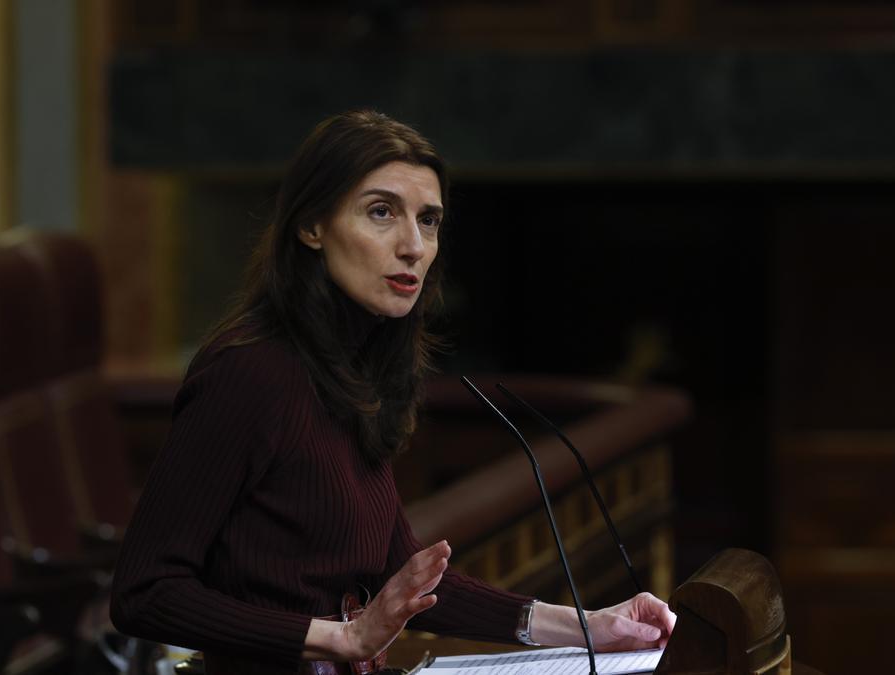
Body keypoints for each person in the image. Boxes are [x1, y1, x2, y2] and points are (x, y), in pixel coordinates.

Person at [110, 110, 675, 674]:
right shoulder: (249, 372)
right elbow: (146, 591)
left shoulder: (356, 367)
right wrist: (341, 639)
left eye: (428, 221)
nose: (413, 246)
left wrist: (591, 624)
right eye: (381, 212)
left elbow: (400, 577)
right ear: (311, 226)